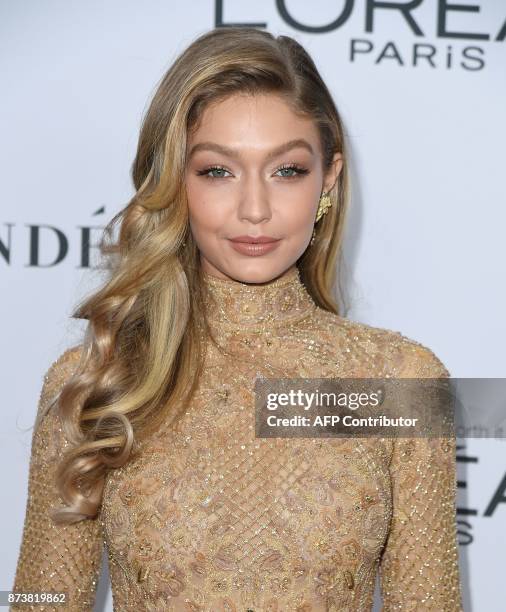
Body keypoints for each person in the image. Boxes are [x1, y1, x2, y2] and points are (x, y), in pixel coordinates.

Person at [11, 26, 463, 611]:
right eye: (218, 171)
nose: (255, 209)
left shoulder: (400, 382)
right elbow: (40, 603)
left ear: (328, 177)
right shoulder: (99, 380)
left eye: (287, 171)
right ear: (175, 181)